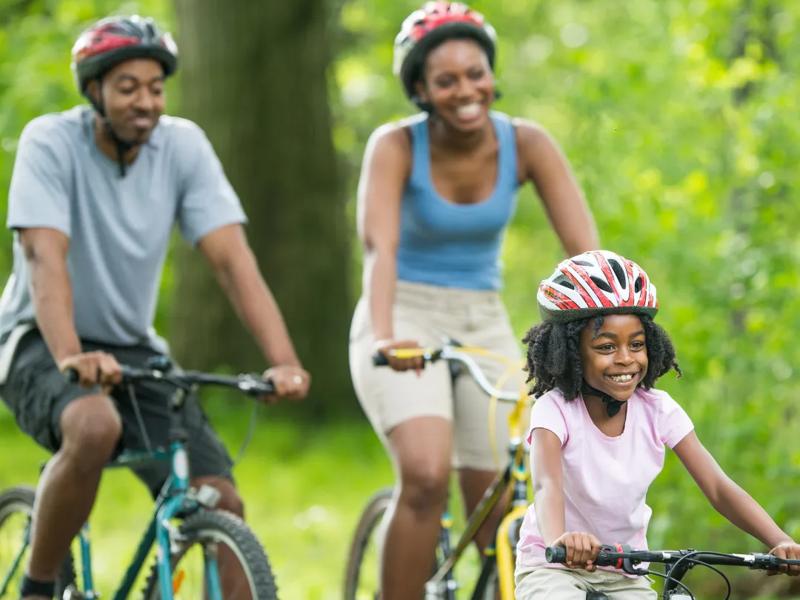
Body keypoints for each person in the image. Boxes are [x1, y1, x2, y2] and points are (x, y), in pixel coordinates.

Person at [0, 15, 310, 600]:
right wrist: (70, 355)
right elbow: (45, 256)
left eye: (155, 87)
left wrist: (283, 361)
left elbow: (232, 261)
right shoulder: (50, 140)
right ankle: (39, 586)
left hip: (131, 347)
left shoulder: (182, 145)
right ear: (94, 91)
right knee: (93, 426)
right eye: (126, 88)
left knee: (221, 496)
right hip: (38, 338)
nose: (145, 101)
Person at [348, 2, 599, 597]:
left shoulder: (527, 143)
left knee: (506, 494)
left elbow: (586, 254)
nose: (466, 90)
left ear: (491, 72)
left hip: (481, 318)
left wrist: (604, 331)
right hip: (402, 313)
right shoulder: (395, 146)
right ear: (420, 89)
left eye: (476, 73)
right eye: (446, 80)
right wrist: (385, 337)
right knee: (427, 473)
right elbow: (379, 252)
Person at [514, 250, 800, 598]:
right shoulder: (554, 410)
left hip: (625, 569)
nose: (625, 359)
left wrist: (779, 539)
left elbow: (718, 487)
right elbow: (547, 486)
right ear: (570, 352)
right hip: (553, 564)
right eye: (606, 347)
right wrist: (561, 539)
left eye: (636, 345)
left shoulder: (657, 409)